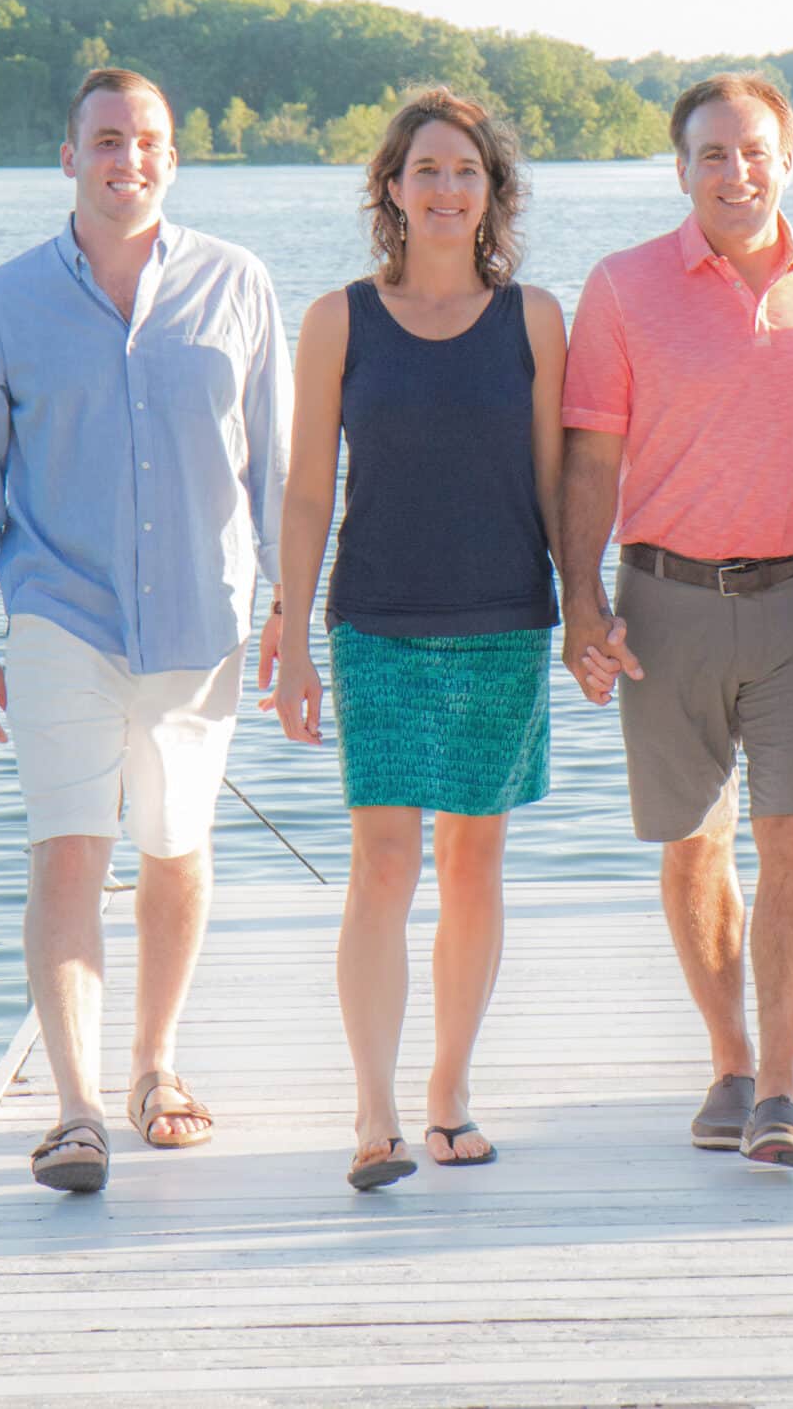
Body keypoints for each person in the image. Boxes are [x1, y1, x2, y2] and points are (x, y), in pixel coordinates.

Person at [0, 67, 291, 1193]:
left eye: (145, 141)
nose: (124, 159)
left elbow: (275, 465)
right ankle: (78, 1111)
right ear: (68, 157)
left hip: (203, 621)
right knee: (69, 850)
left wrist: (293, 608)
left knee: (177, 853)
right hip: (58, 615)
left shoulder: (239, 285)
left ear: (171, 158)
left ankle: (155, 1070)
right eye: (104, 140)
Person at [559, 72, 793, 1172]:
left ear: (787, 160)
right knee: (692, 842)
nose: (734, 172)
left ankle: (784, 1089)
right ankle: (730, 1061)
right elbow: (591, 459)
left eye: (754, 151)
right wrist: (582, 602)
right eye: (711, 154)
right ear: (681, 169)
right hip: (664, 601)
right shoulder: (620, 288)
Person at [265, 89, 567, 1193]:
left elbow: (552, 480)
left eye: (466, 172)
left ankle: (449, 1094)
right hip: (377, 620)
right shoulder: (337, 320)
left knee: (475, 863)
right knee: (383, 862)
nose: (446, 189)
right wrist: (289, 637)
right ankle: (375, 1113)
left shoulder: (533, 317)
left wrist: (584, 607)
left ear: (494, 194)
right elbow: (306, 495)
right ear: (390, 187)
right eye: (425, 170)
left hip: (501, 618)